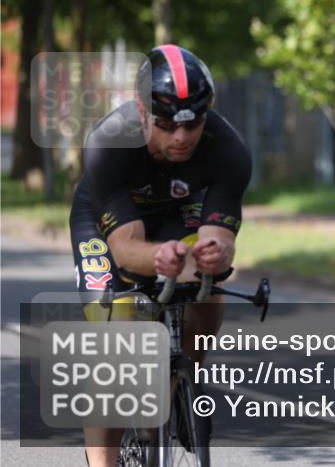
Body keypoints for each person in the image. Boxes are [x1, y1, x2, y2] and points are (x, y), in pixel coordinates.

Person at [70, 44, 251, 467]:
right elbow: (126, 247)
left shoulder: (229, 149)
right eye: (167, 125)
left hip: (177, 210)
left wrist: (212, 254)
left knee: (210, 284)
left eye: (193, 124)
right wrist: (157, 258)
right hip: (107, 221)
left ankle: (182, 376)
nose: (182, 137)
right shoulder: (108, 143)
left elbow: (220, 235)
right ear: (140, 109)